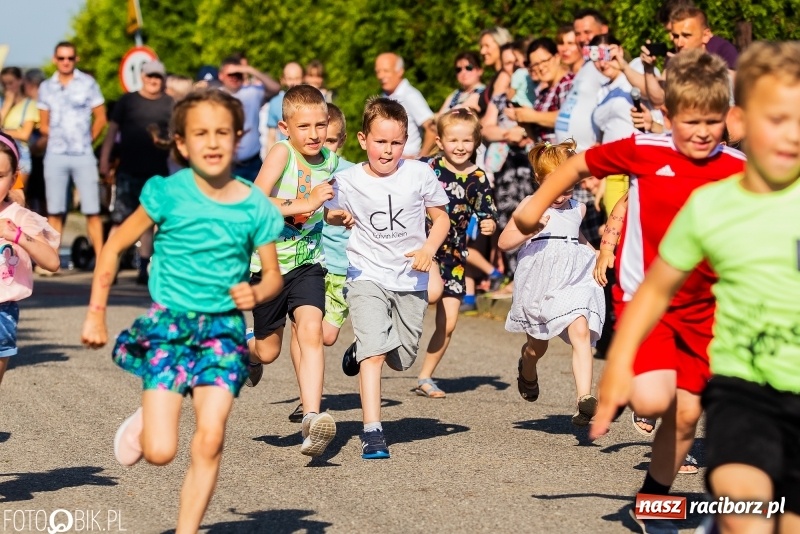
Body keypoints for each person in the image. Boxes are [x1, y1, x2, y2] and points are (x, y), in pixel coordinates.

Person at [513, 49, 746, 534]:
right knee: (657, 397)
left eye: (712, 121)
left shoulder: (738, 165)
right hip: (648, 302)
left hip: (706, 307)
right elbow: (576, 167)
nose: (702, 132)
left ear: (729, 116)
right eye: (690, 121)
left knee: (687, 414)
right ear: (667, 115)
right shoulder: (646, 149)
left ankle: (653, 502)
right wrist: (533, 208)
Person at [591, 41, 800, 534]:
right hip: (744, 389)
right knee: (747, 510)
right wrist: (619, 364)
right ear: (742, 122)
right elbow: (656, 290)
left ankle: (687, 514)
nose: (790, 134)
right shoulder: (712, 205)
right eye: (776, 118)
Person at [79, 89, 284, 534]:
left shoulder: (254, 206)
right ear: (182, 143)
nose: (212, 142)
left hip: (223, 333)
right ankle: (146, 419)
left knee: (210, 440)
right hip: (170, 326)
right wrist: (96, 312)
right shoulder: (166, 193)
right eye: (201, 134)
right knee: (160, 452)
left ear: (239, 138)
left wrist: (256, 294)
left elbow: (271, 276)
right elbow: (114, 245)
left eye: (222, 133)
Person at [325, 97, 449, 458]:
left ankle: (364, 346)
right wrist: (338, 218)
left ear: (406, 141)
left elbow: (440, 218)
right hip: (366, 273)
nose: (388, 150)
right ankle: (373, 431)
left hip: (410, 278)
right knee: (375, 354)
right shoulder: (347, 180)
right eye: (381, 142)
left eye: (396, 143)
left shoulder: (420, 173)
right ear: (363, 139)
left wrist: (429, 249)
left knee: (403, 358)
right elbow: (330, 212)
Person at [248, 85, 339, 457]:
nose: (314, 134)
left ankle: (313, 417)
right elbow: (255, 199)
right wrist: (306, 202)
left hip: (307, 263)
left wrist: (336, 215)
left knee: (312, 328)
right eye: (304, 127)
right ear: (286, 127)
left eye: (321, 125)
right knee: (268, 352)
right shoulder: (281, 153)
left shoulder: (329, 160)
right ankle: (247, 352)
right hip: (269, 265)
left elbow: (321, 209)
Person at [499, 139, 604, 425]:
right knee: (538, 346)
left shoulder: (579, 209)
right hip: (539, 280)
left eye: (568, 186)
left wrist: (596, 253)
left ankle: (584, 399)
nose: (561, 194)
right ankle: (527, 366)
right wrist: (530, 228)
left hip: (573, 278)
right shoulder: (529, 206)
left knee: (581, 331)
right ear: (538, 180)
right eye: (554, 187)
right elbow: (505, 241)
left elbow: (575, 238)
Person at [414, 109, 497, 398]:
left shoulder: (478, 177)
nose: (460, 146)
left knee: (448, 324)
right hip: (424, 247)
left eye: (466, 140)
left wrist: (488, 223)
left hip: (456, 256)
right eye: (453, 140)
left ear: (476, 142)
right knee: (429, 296)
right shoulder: (427, 169)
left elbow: (486, 211)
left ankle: (425, 377)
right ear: (439, 141)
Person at [285, 103, 353, 422]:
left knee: (322, 335)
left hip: (334, 266)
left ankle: (311, 409)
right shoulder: (292, 164)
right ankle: (307, 400)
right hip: (299, 260)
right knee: (301, 331)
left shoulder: (348, 172)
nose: (321, 145)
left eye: (330, 139)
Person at [99, 60, 173, 285]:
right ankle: (108, 267)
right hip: (128, 170)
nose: (153, 81)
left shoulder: (169, 103)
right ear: (142, 76)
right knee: (120, 220)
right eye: (150, 76)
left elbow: (175, 136)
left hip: (157, 171)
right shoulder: (127, 101)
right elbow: (112, 132)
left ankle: (144, 268)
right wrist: (104, 160)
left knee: (149, 221)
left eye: (158, 77)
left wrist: (163, 142)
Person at [37, 41, 107, 261]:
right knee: (54, 211)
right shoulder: (46, 87)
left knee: (92, 210)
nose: (65, 62)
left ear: (76, 59)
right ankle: (51, 260)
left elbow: (101, 117)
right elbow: (43, 123)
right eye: (61, 58)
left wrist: (89, 138)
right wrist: (58, 133)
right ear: (54, 60)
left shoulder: (88, 83)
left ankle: (102, 261)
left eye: (69, 58)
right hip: (56, 153)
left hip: (82, 153)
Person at [0, 131, 60, 386]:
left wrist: (18, 235)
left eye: (0, 176)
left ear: (14, 178)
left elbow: (52, 262)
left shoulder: (20, 217)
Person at [218, 55, 280, 181]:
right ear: (221, 75)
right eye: (231, 74)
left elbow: (275, 88)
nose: (235, 77)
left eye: (238, 74)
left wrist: (249, 70)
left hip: (252, 163)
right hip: (226, 163)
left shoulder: (252, 92)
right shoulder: (215, 96)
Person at [505, 37, 575, 145]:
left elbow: (570, 118)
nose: (541, 67)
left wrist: (532, 116)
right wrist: (522, 121)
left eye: (544, 61)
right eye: (535, 65)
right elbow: (537, 138)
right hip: (545, 159)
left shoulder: (568, 84)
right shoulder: (542, 94)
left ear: (556, 57)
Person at [375, 52, 437, 158]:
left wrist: (420, 159)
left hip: (405, 162)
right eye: (378, 72)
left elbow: (432, 128)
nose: (381, 76)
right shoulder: (384, 97)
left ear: (400, 71)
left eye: (386, 71)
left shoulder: (410, 95)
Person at [1, 67, 39, 198]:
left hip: (21, 157)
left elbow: (25, 135)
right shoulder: (2, 103)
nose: (8, 87)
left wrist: (3, 131)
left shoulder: (30, 105)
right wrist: (7, 103)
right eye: (4, 84)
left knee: (15, 196)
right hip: (2, 155)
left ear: (20, 81)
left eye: (11, 82)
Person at [261, 62, 304, 156]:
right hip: (285, 156)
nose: (293, 82)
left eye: (297, 78)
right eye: (290, 79)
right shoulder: (275, 102)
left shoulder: (311, 100)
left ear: (302, 78)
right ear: (283, 80)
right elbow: (271, 136)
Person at [477, 27, 514, 117]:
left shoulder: (504, 76)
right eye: (481, 47)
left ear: (501, 45)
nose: (482, 51)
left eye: (487, 46)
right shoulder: (496, 76)